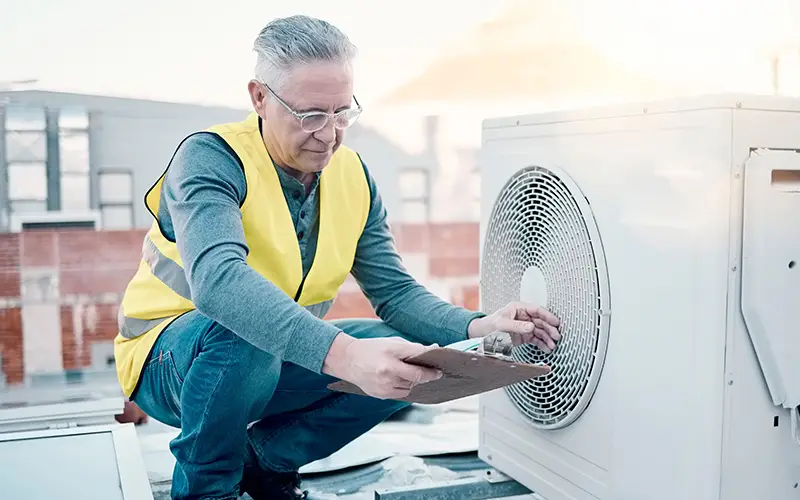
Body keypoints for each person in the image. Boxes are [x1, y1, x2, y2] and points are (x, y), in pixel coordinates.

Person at [113, 14, 561, 500]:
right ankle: (207, 490)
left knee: (404, 353)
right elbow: (220, 283)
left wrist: (479, 327)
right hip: (169, 363)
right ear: (260, 98)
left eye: (341, 113)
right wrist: (348, 357)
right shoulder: (211, 159)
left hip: (273, 359)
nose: (328, 135)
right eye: (310, 115)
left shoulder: (351, 174)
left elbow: (395, 294)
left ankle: (264, 461)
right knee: (244, 334)